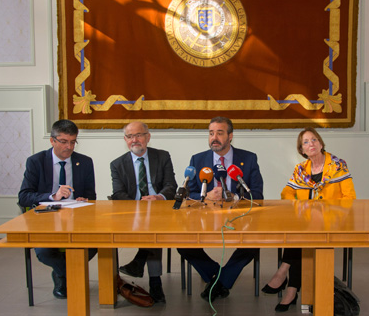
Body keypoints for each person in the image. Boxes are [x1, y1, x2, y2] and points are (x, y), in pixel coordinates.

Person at [262, 127, 356, 311]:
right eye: (305, 142)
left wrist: (327, 210)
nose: (310, 144)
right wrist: (299, 205)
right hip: (307, 221)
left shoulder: (338, 166)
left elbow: (349, 197)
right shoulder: (300, 170)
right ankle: (291, 288)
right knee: (301, 234)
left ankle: (284, 273)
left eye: (313, 140)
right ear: (302, 150)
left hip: (332, 220)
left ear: (320, 144)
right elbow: (286, 192)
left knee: (299, 235)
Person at [178, 116, 264, 302]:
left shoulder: (248, 159)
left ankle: (219, 281)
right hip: (205, 216)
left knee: (253, 242)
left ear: (230, 136)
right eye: (211, 133)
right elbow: (189, 193)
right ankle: (220, 277)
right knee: (182, 243)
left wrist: (233, 196)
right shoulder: (198, 159)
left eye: (219, 133)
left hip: (238, 216)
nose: (214, 137)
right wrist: (206, 196)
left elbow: (257, 194)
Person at [18, 119, 97, 299]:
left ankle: (62, 273)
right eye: (63, 141)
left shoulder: (84, 162)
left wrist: (84, 199)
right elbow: (23, 196)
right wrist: (53, 196)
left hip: (76, 219)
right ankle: (65, 274)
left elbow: (91, 196)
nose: (68, 147)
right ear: (52, 141)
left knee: (95, 245)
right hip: (45, 220)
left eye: (72, 142)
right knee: (45, 251)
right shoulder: (36, 162)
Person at [110, 121, 177, 303]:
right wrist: (138, 205)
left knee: (154, 227)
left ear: (148, 137)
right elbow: (118, 193)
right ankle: (154, 281)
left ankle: (144, 269)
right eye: (130, 137)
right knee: (152, 231)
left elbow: (171, 186)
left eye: (138, 135)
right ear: (125, 140)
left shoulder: (162, 157)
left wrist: (159, 198)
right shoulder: (117, 164)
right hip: (133, 212)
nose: (134, 140)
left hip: (160, 209)